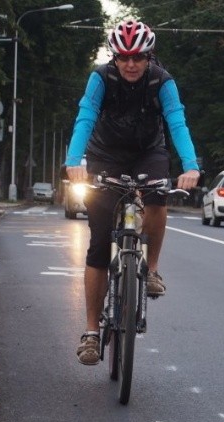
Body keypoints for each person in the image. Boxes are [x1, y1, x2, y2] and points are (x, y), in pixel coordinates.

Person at [65, 19, 201, 366]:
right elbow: (85, 117)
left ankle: (151, 269)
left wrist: (190, 166)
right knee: (97, 245)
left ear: (148, 56)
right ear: (115, 56)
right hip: (104, 154)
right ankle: (92, 332)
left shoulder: (162, 81)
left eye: (138, 58)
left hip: (148, 151)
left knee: (157, 195)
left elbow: (176, 121)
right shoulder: (101, 78)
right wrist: (73, 161)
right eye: (124, 57)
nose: (130, 64)